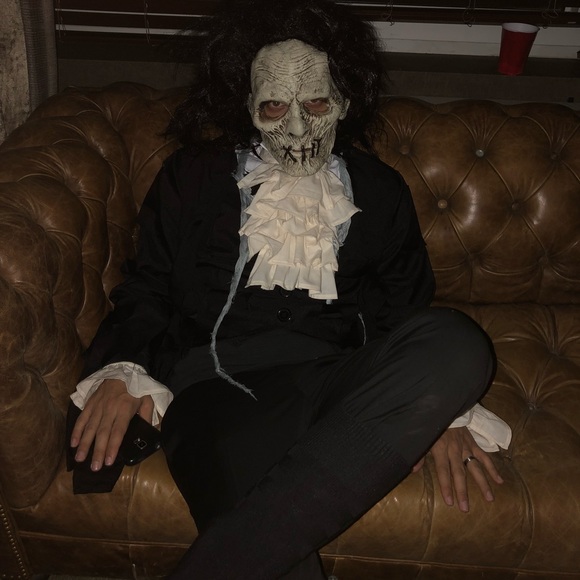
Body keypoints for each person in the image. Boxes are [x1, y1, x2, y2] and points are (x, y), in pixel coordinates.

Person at [69, 0, 511, 578]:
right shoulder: (193, 175)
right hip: (218, 391)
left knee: (458, 342)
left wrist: (436, 412)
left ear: (344, 103)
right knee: (274, 543)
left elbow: (403, 312)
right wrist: (121, 369)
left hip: (334, 384)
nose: (298, 127)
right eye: (275, 105)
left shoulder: (380, 189)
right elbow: (148, 284)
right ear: (248, 106)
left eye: (317, 103)